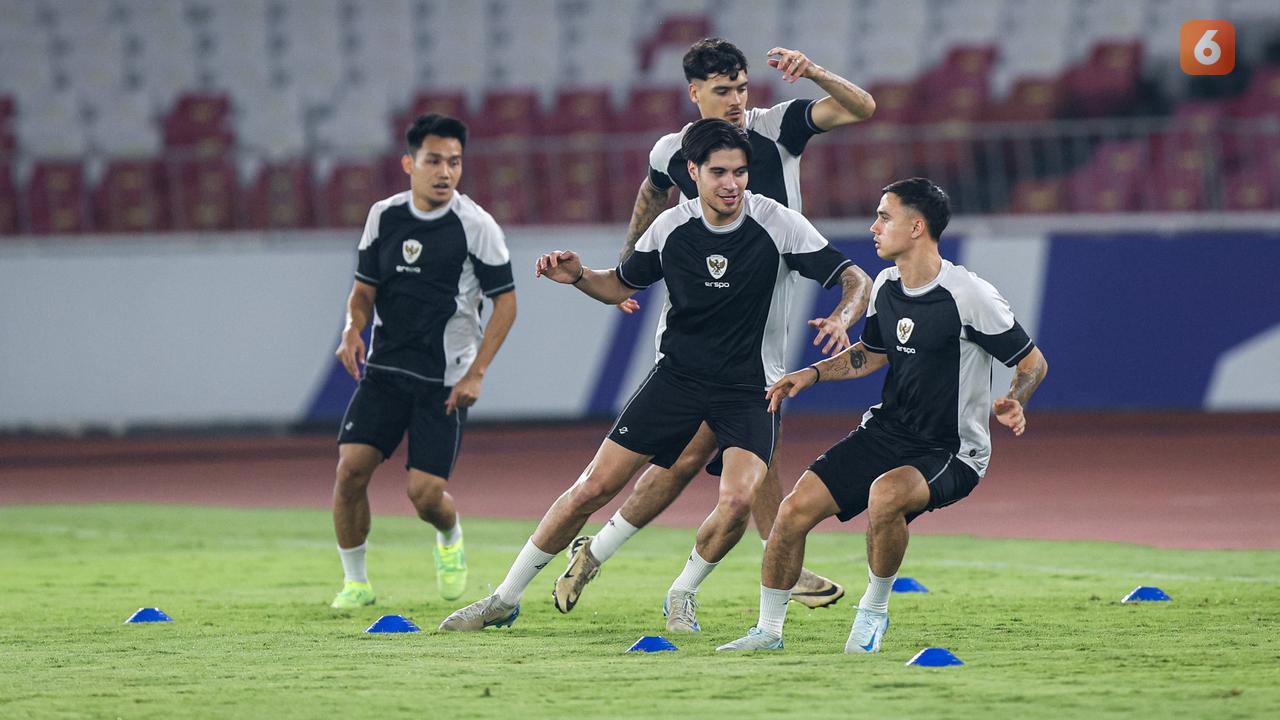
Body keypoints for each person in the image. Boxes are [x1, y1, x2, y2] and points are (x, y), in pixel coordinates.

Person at [439, 119, 871, 632]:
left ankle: (682, 592)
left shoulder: (777, 223)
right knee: (591, 488)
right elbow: (619, 286)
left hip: (749, 390)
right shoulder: (670, 227)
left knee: (736, 502)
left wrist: (844, 315)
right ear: (693, 172)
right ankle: (503, 598)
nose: (731, 183)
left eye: (739, 172)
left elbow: (854, 277)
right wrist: (578, 276)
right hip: (677, 382)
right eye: (718, 172)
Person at [557, 37, 877, 615]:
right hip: (709, 317)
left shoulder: (777, 126)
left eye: (743, 87)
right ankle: (779, 560)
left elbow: (861, 108)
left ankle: (599, 552)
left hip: (769, 308)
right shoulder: (672, 150)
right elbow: (651, 195)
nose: (736, 99)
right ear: (695, 92)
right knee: (730, 442)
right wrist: (627, 274)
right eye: (723, 89)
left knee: (697, 457)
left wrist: (816, 72)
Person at [717, 178, 1049, 652]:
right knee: (790, 513)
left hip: (952, 450)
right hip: (887, 431)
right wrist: (809, 374)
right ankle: (767, 632)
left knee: (885, 494)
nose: (874, 227)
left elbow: (1032, 362)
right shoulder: (888, 286)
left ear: (917, 227)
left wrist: (1017, 398)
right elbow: (871, 354)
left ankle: (872, 613)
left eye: (884, 216)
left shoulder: (970, 296)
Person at [328, 113, 517, 609]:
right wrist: (353, 327)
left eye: (454, 162)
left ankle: (449, 536)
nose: (445, 172)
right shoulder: (384, 216)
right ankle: (355, 583)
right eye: (434, 160)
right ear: (409, 163)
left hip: (445, 381)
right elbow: (363, 290)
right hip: (387, 372)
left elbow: (508, 303)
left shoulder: (476, 226)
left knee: (424, 496)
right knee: (350, 471)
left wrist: (477, 373)